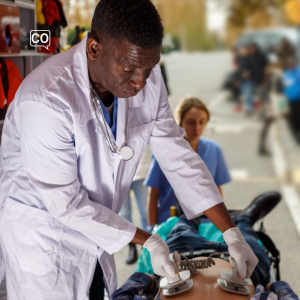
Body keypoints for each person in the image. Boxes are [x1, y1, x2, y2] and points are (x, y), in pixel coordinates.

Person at [0, 1, 258, 299]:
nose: (140, 82)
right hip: (47, 240)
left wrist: (232, 233)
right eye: (130, 69)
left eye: (149, 68)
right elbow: (65, 204)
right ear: (94, 49)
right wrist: (149, 240)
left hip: (98, 232)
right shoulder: (45, 99)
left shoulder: (145, 74)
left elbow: (178, 155)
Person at [112, 192, 296, 300]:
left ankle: (188, 215)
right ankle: (246, 217)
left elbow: (122, 296)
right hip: (247, 271)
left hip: (185, 255)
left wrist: (148, 278)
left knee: (182, 229)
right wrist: (273, 285)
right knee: (245, 236)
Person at [146, 96, 231, 227]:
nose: (197, 127)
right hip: (171, 224)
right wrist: (152, 229)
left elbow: (217, 190)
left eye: (202, 122)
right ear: (179, 122)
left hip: (205, 225)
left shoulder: (214, 149)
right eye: (191, 122)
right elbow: (153, 194)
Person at [120, 147, 151, 265]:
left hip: (140, 170)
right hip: (119, 174)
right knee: (124, 214)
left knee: (144, 211)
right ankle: (131, 247)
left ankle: (146, 245)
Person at [282, 57, 300, 144]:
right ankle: (296, 136)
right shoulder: (286, 73)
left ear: (294, 63)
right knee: (292, 118)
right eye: (289, 64)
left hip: (298, 98)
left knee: (298, 116)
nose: (290, 65)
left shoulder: (298, 71)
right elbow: (284, 84)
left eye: (292, 63)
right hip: (289, 99)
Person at [237, 45, 256, 115]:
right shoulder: (240, 59)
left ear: (247, 51)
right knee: (245, 95)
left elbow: (255, 69)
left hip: (249, 80)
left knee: (249, 94)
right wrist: (238, 80)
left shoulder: (251, 59)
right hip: (242, 80)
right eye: (242, 51)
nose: (243, 52)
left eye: (244, 50)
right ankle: (248, 108)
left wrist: (249, 73)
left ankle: (250, 109)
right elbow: (239, 70)